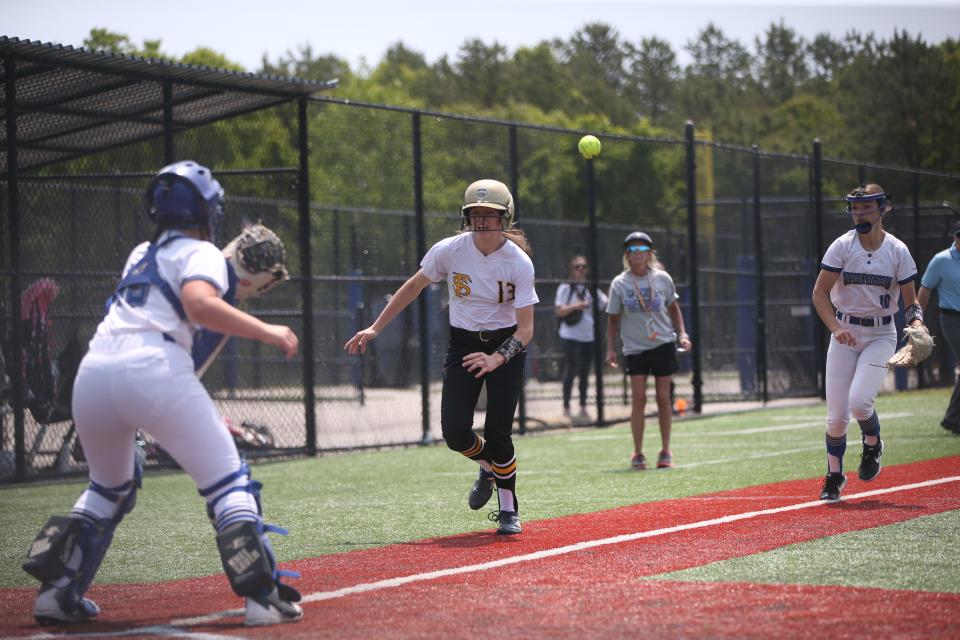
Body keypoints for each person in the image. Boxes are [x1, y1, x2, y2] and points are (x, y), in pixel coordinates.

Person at [21, 161, 303, 626]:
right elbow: (198, 304)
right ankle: (262, 598)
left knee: (107, 488)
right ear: (208, 210)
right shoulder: (203, 253)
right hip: (153, 366)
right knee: (230, 485)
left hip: (94, 375)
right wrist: (268, 331)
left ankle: (57, 593)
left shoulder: (139, 253)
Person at [345, 179, 537, 534]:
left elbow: (525, 330)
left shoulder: (519, 263)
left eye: (491, 216)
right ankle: (488, 467)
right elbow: (414, 286)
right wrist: (375, 328)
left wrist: (498, 358)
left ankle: (509, 509)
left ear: (505, 218)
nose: (482, 223)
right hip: (463, 346)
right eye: (475, 215)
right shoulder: (449, 250)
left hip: (506, 348)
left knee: (499, 432)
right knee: (454, 433)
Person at [811, 183, 924, 501]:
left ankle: (872, 442)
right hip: (845, 331)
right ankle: (834, 475)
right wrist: (834, 327)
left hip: (880, 333)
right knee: (835, 417)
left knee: (860, 402)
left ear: (883, 208)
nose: (859, 213)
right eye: (855, 208)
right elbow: (819, 293)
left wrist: (916, 321)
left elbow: (911, 302)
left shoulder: (897, 250)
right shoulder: (842, 246)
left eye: (866, 207)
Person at [605, 232, 691, 470]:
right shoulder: (620, 283)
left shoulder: (662, 279)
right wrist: (611, 348)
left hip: (663, 343)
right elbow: (613, 318)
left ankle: (665, 450)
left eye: (642, 249)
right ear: (627, 255)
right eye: (632, 250)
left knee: (664, 398)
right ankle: (638, 453)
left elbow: (674, 309)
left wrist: (682, 334)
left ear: (650, 253)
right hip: (635, 348)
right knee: (639, 399)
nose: (638, 254)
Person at [917, 220, 960, 434]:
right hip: (952, 319)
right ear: (954, 237)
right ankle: (954, 419)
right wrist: (916, 320)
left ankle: (952, 418)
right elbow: (925, 290)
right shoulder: (941, 260)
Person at [555, 255, 607, 422]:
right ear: (572, 269)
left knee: (585, 372)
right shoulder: (565, 288)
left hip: (588, 336)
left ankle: (583, 406)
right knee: (571, 370)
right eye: (577, 267)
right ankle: (566, 407)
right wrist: (576, 306)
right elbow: (559, 310)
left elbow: (605, 304)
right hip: (569, 335)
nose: (581, 270)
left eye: (583, 267)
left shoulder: (592, 289)